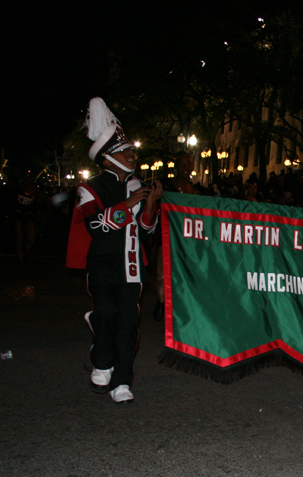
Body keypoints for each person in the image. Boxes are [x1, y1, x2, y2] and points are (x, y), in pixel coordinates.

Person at [66, 97, 163, 404]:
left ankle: (122, 380)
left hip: (133, 268)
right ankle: (102, 360)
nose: (132, 155)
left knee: (128, 324)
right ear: (107, 159)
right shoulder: (90, 188)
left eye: (132, 150)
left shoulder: (139, 186)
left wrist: (150, 205)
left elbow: (147, 231)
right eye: (124, 151)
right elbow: (96, 226)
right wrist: (128, 205)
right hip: (102, 265)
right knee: (107, 313)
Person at [153, 152, 206, 322]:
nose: (186, 167)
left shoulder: (195, 191)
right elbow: (152, 204)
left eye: (189, 164)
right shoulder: (164, 186)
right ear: (176, 166)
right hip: (166, 233)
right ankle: (161, 300)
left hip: (186, 238)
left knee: (183, 273)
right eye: (182, 163)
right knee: (162, 273)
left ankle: (179, 306)